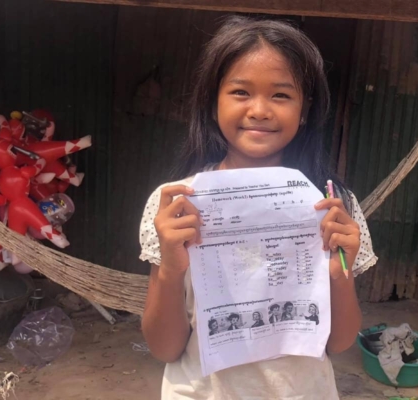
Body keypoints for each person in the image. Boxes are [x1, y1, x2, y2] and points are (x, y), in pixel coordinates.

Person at [140, 16, 377, 400]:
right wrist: (170, 267)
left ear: (306, 107)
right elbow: (164, 348)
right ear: (212, 99)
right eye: (240, 92)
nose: (260, 110)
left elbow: (339, 343)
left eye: (281, 95)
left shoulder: (333, 206)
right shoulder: (176, 204)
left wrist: (340, 273)